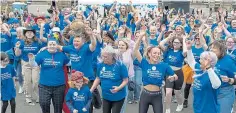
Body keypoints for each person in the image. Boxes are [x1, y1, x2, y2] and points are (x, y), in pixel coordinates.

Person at [134, 31, 178, 113]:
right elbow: (135, 50)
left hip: (157, 96)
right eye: (154, 53)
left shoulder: (164, 65)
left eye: (158, 53)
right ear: (149, 54)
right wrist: (140, 37)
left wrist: (173, 78)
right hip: (145, 95)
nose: (156, 55)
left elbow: (175, 76)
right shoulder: (144, 63)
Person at [185, 37, 221, 113]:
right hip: (198, 106)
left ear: (209, 61)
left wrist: (208, 68)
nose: (199, 60)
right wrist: (189, 49)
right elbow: (191, 62)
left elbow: (217, 84)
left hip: (209, 109)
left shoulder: (213, 74)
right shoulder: (200, 69)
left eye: (202, 59)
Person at [90, 45, 129, 113]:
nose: (104, 58)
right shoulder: (101, 65)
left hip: (118, 97)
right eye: (102, 56)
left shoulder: (120, 65)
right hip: (106, 96)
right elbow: (98, 78)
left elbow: (125, 80)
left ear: (112, 56)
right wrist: (91, 89)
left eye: (106, 57)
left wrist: (118, 88)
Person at [35, 38, 70, 113]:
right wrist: (31, 59)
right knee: (44, 103)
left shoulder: (61, 55)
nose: (52, 46)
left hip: (59, 86)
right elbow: (34, 64)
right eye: (50, 44)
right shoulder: (41, 54)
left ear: (57, 45)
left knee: (58, 107)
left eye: (54, 44)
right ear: (47, 45)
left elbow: (68, 62)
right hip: (44, 85)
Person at [14, 28, 42, 105]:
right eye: (27, 32)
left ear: (33, 34)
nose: (29, 34)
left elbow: (41, 52)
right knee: (27, 81)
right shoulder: (22, 42)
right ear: (25, 34)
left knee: (35, 81)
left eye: (31, 32)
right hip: (26, 63)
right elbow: (17, 54)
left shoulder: (38, 42)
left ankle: (37, 96)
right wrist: (17, 47)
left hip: (35, 63)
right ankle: (28, 97)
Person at [159, 33, 185, 113]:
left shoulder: (182, 52)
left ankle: (180, 104)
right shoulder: (168, 50)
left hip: (178, 73)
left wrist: (183, 40)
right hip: (169, 73)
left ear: (181, 44)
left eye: (177, 43)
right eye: (174, 42)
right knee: (168, 92)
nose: (175, 44)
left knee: (177, 92)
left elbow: (186, 51)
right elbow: (160, 44)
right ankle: (167, 109)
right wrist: (168, 38)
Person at [209, 40, 236, 113]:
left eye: (214, 48)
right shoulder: (210, 58)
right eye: (211, 47)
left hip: (224, 93)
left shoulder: (229, 61)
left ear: (221, 50)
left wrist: (229, 80)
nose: (211, 49)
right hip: (211, 91)